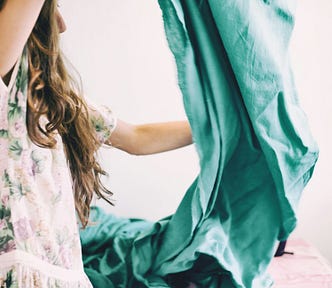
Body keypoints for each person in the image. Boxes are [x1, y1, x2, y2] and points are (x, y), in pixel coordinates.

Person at [0, 0, 192, 286]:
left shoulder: (54, 104)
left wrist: (217, 129)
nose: (63, 25)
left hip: (66, 274)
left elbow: (138, 138)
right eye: (55, 9)